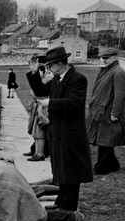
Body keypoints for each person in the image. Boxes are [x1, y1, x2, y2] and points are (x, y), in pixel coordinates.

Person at [26, 46, 93, 211]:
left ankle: (68, 207)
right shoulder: (57, 79)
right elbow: (40, 91)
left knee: (71, 171)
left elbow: (74, 103)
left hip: (71, 132)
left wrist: (50, 103)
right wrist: (34, 73)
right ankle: (61, 203)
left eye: (50, 65)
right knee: (61, 169)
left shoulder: (78, 79)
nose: (48, 68)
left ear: (60, 64)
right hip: (57, 131)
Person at [87, 47, 125, 175]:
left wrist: (115, 113)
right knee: (103, 139)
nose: (103, 60)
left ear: (115, 57)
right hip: (101, 111)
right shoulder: (107, 70)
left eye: (106, 58)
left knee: (105, 140)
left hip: (109, 112)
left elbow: (120, 95)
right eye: (102, 57)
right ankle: (112, 165)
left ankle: (101, 167)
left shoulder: (118, 72)